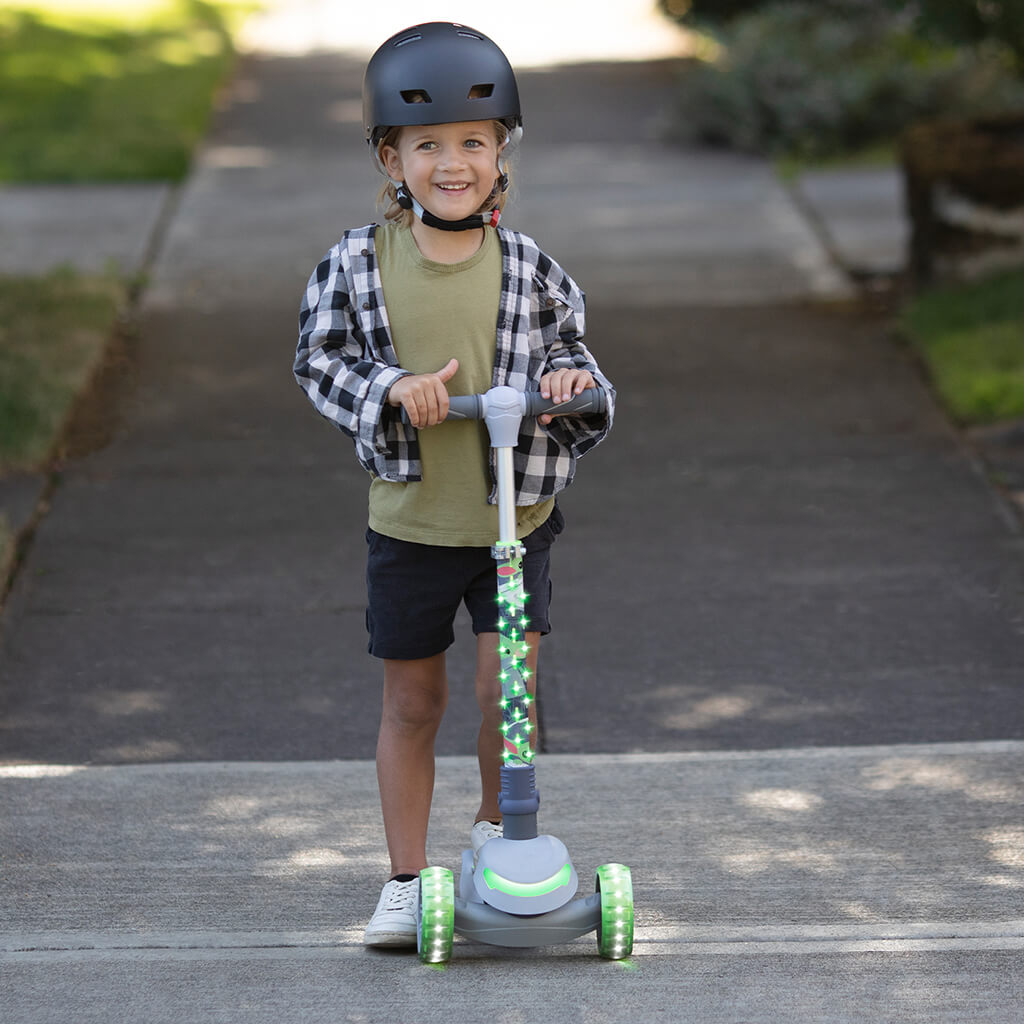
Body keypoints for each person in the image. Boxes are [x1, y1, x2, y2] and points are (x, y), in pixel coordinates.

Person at [293, 21, 615, 949]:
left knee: (503, 689)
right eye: (427, 145)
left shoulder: (530, 266)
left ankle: (497, 835)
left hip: (516, 520)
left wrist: (566, 384)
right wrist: (391, 387)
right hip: (412, 527)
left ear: (500, 152)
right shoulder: (358, 263)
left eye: (473, 143)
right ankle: (403, 878)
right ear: (391, 157)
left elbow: (572, 355)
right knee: (413, 702)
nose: (452, 163)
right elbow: (319, 360)